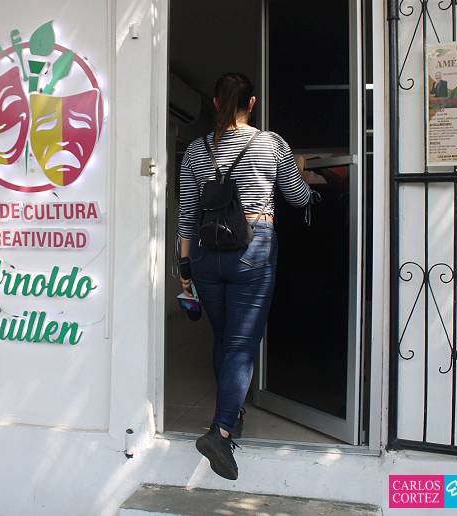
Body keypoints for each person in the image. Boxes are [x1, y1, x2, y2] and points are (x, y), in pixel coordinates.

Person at [177, 72, 313, 480]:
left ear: (215, 104)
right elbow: (297, 197)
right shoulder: (271, 143)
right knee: (241, 344)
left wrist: (184, 268)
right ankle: (220, 433)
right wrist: (308, 181)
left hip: (206, 253)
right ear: (251, 103)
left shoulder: (196, 150)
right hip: (252, 248)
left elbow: (187, 214)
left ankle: (232, 415)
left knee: (223, 337)